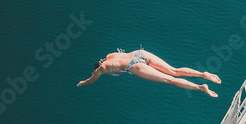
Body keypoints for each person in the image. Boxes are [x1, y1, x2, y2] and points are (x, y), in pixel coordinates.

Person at [77, 49, 220, 97]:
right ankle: (202, 74)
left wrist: (83, 83)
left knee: (168, 79)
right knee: (173, 70)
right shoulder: (110, 55)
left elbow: (91, 80)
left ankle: (200, 87)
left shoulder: (101, 69)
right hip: (139, 54)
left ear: (98, 66)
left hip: (134, 65)